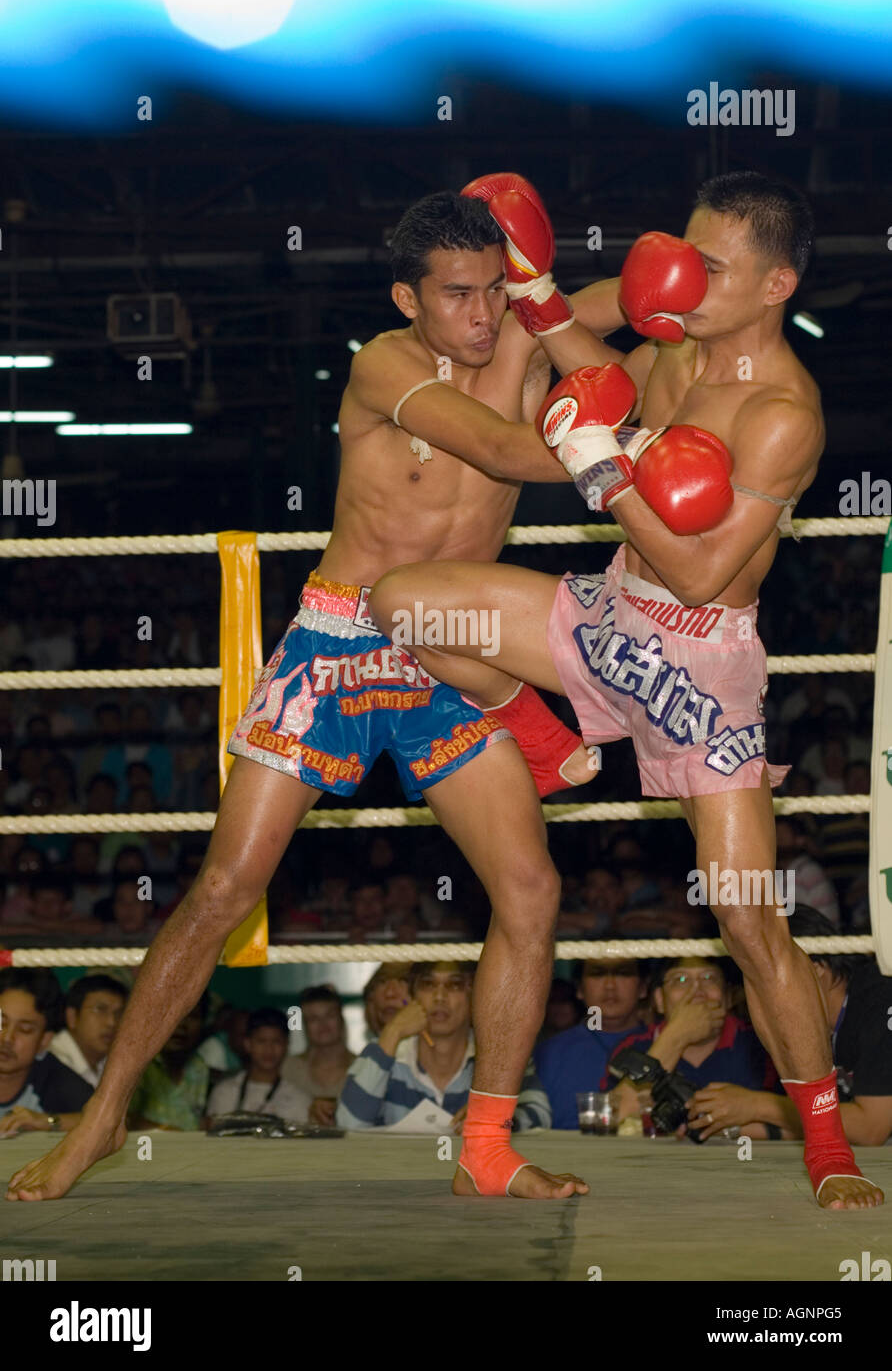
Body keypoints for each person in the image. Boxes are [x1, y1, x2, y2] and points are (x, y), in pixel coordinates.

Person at [11, 185, 641, 1201]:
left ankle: (484, 1147)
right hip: (340, 639)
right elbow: (501, 450)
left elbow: (627, 304)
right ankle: (101, 1118)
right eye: (456, 295)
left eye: (493, 292)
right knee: (224, 887)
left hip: (442, 650)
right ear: (409, 298)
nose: (480, 317)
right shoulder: (384, 363)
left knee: (531, 890)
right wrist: (613, 437)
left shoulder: (523, 334)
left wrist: (661, 291)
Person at [369, 170, 881, 1208]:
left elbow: (698, 572)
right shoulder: (676, 343)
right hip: (605, 620)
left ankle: (826, 1147)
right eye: (682, 257)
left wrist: (601, 470)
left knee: (746, 919)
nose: (686, 280)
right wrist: (540, 287)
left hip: (698, 664)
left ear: (778, 283)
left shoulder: (784, 413)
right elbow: (592, 365)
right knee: (404, 601)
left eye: (713, 267)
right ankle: (548, 740)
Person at [687, 909, 892, 1147]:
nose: (760, 999)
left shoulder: (880, 1001)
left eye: (768, 983)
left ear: (815, 970)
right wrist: (732, 1125)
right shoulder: (822, 1025)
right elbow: (832, 1123)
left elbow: (870, 1129)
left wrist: (758, 1105)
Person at [337, 962, 549, 1132]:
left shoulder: (500, 1056)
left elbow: (540, 1114)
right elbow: (348, 1123)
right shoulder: (385, 1051)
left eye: (454, 985)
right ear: (413, 997)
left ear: (475, 997)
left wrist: (495, 1120)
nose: (439, 997)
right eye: (428, 985)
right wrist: (392, 1032)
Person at [605, 958, 783, 1135]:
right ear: (659, 999)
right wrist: (676, 1036)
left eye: (709, 978)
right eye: (680, 980)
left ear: (727, 996)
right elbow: (607, 1120)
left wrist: (753, 1106)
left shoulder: (761, 1044)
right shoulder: (634, 1047)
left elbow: (804, 1116)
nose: (696, 991)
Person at [535, 959, 648, 1128]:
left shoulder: (663, 1045)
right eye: (598, 973)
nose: (610, 985)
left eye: (623, 973)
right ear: (579, 989)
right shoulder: (547, 1054)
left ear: (643, 988)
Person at [0, 968, 93, 1136]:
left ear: (44, 1041)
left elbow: (109, 1120)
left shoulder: (57, 1080)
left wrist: (48, 1121)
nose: (7, 1038)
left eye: (25, 1029)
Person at [206, 1008, 310, 1125]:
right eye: (261, 1041)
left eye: (276, 1042)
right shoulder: (224, 1093)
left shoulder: (299, 1100)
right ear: (248, 1044)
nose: (269, 1050)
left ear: (287, 1045)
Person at [127, 996, 211, 1132]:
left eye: (192, 1016)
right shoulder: (138, 1065)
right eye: (172, 1015)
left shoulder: (199, 1067)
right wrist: (169, 1132)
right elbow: (126, 1120)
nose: (182, 1024)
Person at [281, 986, 356, 1126]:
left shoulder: (364, 1068)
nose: (323, 1024)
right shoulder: (288, 1069)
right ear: (305, 1025)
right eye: (313, 1018)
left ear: (341, 1019)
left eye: (329, 1015)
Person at [49, 974, 129, 1088]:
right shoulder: (52, 1064)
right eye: (100, 1009)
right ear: (72, 1016)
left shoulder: (112, 1063)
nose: (112, 1022)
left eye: (119, 1013)